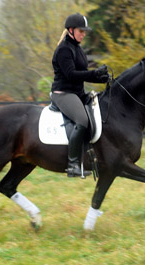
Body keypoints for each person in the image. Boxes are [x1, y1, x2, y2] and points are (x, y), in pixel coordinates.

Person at [51, 13, 109, 177]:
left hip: (77, 93)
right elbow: (71, 74)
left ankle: (92, 158)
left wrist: (100, 77)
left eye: (85, 31)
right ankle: (72, 165)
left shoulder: (78, 48)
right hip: (63, 93)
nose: (84, 34)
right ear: (70, 30)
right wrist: (93, 74)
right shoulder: (63, 49)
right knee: (82, 120)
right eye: (81, 31)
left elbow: (83, 73)